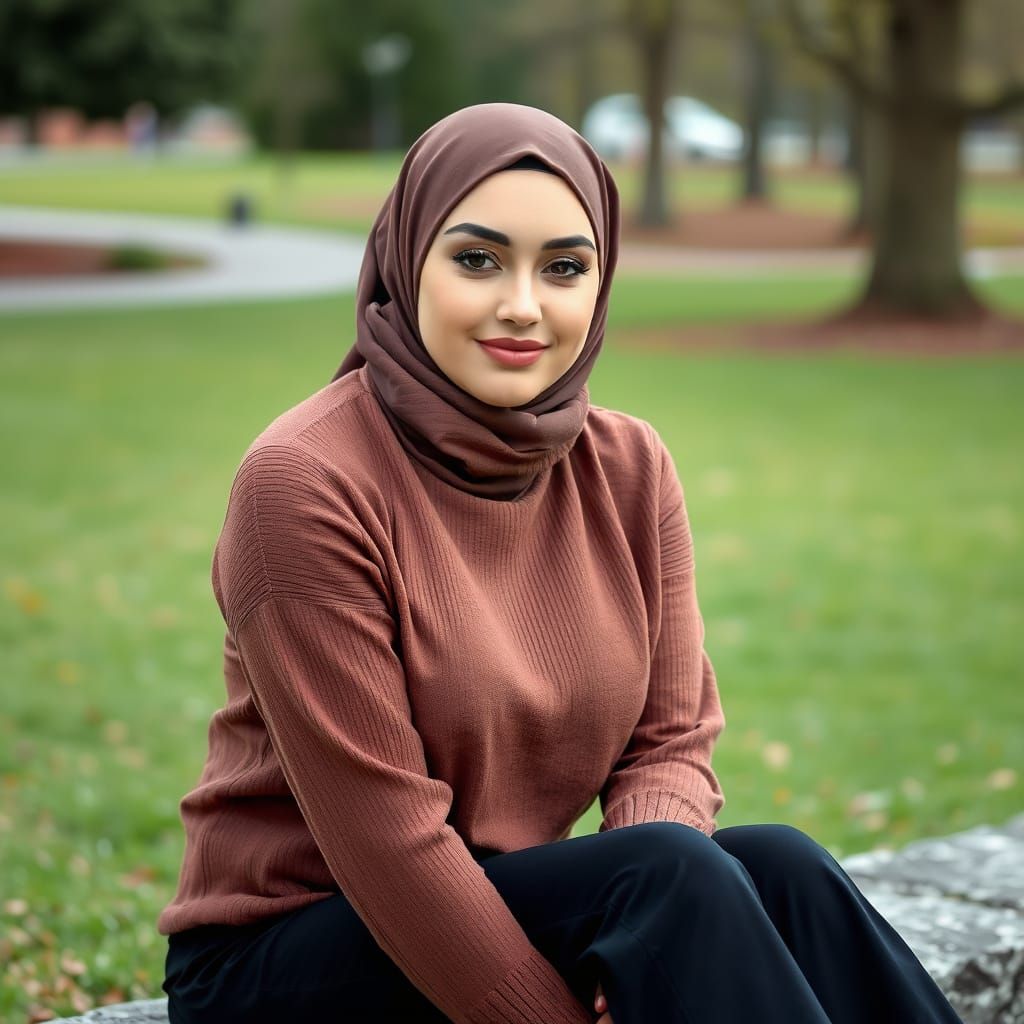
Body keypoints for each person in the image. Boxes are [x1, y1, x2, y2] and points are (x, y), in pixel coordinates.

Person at [157, 102, 964, 1024]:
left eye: (565, 268)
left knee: (781, 867)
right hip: (287, 957)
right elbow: (389, 845)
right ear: (405, 259)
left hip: (496, 905)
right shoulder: (304, 482)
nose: (523, 306)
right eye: (477, 259)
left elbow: (672, 742)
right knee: (663, 878)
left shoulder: (628, 466)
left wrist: (647, 956)